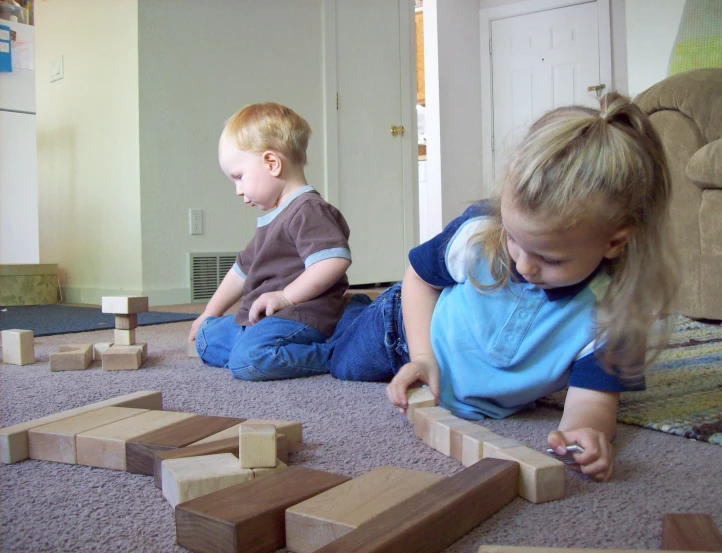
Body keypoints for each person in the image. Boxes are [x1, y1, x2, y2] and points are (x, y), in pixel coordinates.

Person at [326, 92, 678, 482]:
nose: (523, 264)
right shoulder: (478, 235)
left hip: (451, 372)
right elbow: (420, 277)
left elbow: (592, 401)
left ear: (614, 242)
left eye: (550, 259)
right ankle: (344, 306)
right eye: (513, 239)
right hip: (402, 330)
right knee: (336, 359)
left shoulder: (616, 315)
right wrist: (422, 356)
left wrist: (585, 433)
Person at [189, 102, 352, 381]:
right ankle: (253, 344)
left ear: (272, 163)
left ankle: (336, 350)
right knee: (206, 337)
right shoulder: (274, 217)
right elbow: (240, 271)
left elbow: (333, 260)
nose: (238, 191)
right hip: (263, 319)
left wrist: (286, 296)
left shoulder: (309, 209)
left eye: (239, 178)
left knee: (249, 361)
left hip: (300, 316)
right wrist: (209, 312)